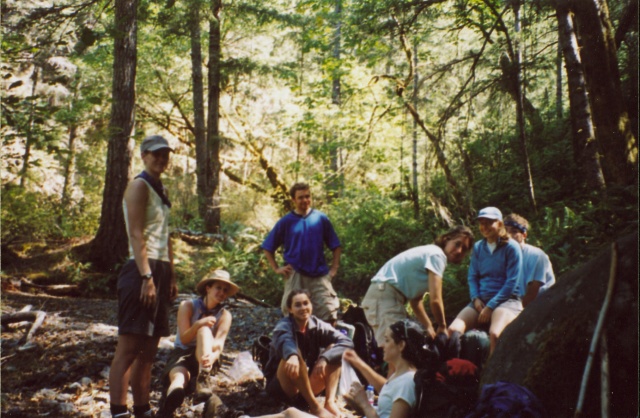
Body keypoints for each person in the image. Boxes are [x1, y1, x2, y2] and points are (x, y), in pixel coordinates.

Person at [109, 135, 178, 418]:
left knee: (149, 350)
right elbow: (136, 234)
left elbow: (166, 237)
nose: (161, 159)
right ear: (144, 156)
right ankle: (118, 411)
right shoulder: (138, 185)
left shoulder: (160, 190)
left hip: (160, 270)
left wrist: (170, 277)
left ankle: (142, 409)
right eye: (156, 154)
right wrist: (146, 276)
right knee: (129, 348)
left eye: (165, 155)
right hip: (141, 270)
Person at [361, 226, 474, 347]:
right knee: (396, 347)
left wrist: (428, 326)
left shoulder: (431, 253)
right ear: (446, 239)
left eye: (464, 249)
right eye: (457, 244)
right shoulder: (437, 255)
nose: (459, 251)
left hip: (383, 296)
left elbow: (415, 300)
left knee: (401, 346)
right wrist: (442, 326)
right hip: (385, 296)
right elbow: (435, 300)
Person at [157, 270, 238, 417]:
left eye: (225, 290)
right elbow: (184, 339)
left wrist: (212, 357)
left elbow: (219, 343)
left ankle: (203, 378)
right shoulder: (188, 306)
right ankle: (170, 402)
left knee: (205, 331)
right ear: (208, 288)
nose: (221, 293)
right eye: (218, 288)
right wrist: (198, 323)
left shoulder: (225, 315)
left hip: (206, 356)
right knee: (179, 377)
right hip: (183, 351)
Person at [263, 289, 354, 418]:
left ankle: (329, 402)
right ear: (290, 309)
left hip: (305, 388)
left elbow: (346, 342)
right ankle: (315, 407)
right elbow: (285, 340)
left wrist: (325, 358)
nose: (303, 308)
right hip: (281, 387)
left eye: (306, 303)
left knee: (335, 349)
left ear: (311, 305)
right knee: (296, 352)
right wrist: (292, 355)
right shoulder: (283, 325)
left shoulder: (317, 324)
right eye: (298, 305)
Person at [262, 183, 342, 325]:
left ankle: (328, 345)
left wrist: (333, 269)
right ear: (294, 200)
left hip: (319, 274)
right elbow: (268, 247)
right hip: (295, 274)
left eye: (307, 196)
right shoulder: (286, 221)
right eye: (300, 198)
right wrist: (276, 268)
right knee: (293, 314)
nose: (305, 200)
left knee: (328, 312)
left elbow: (335, 245)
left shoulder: (321, 218)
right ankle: (298, 346)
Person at [448, 207, 523, 355]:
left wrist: (490, 307)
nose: (485, 227)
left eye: (489, 222)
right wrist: (475, 298)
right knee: (453, 330)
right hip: (481, 299)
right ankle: (459, 371)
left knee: (495, 334)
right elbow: (472, 276)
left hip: (507, 301)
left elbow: (512, 282)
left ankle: (490, 375)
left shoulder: (511, 247)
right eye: (482, 223)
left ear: (500, 224)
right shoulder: (478, 247)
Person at [343, 320, 432, 418]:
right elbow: (388, 392)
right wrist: (357, 401)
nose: (382, 345)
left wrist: (365, 404)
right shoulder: (399, 375)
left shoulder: (406, 383)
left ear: (401, 345)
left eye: (387, 340)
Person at [503, 213, 556, 307]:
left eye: (514, 231)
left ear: (524, 235)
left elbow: (531, 296)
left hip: (541, 306)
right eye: (505, 231)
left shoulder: (536, 255)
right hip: (513, 304)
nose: (508, 235)